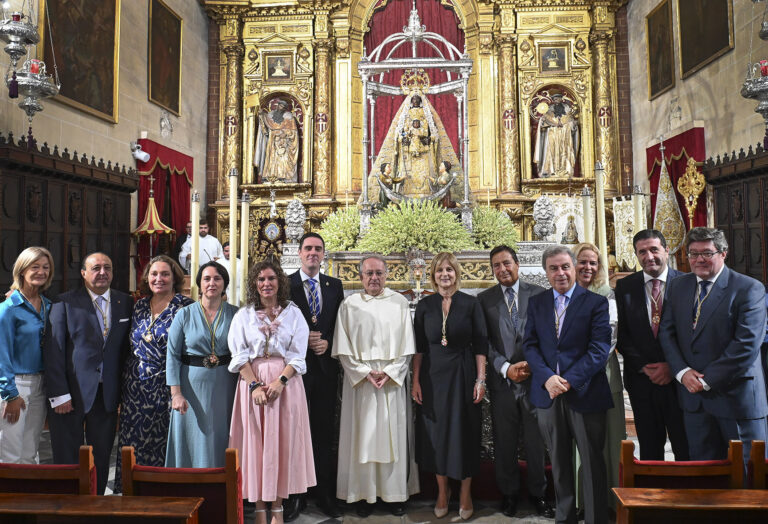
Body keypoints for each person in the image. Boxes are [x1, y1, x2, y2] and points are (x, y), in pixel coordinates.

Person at [659, 227, 768, 465]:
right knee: (704, 478)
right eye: (693, 253)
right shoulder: (678, 286)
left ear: (723, 253)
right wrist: (682, 372)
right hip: (694, 402)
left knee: (747, 478)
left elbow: (746, 346)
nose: (699, 259)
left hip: (736, 399)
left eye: (707, 253)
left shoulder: (749, 289)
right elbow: (667, 333)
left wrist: (705, 381)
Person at [523, 245, 612, 524]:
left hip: (585, 393)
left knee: (592, 462)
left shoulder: (595, 303)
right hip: (549, 394)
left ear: (574, 268)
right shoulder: (537, 303)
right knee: (559, 465)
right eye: (553, 268)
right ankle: (565, 518)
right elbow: (530, 345)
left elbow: (599, 350)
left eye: (565, 267)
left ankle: (596, 519)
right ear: (546, 273)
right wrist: (548, 378)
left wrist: (568, 381)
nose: (560, 273)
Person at [228, 260, 315, 524]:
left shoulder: (294, 313)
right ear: (255, 284)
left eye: (271, 278)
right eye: (261, 279)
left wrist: (280, 382)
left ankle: (277, 504)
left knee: (282, 443)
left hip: (286, 384)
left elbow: (299, 355)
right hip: (252, 382)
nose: (266, 284)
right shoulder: (243, 315)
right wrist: (254, 384)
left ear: (280, 282)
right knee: (255, 443)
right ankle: (259, 505)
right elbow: (238, 353)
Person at [333, 255, 419, 517]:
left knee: (393, 436)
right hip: (360, 383)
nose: (374, 278)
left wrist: (391, 372)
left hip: (390, 382)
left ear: (387, 274)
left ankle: (394, 495)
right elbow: (343, 348)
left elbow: (407, 347)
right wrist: (362, 372)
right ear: (360, 276)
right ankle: (362, 495)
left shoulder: (399, 303)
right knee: (362, 438)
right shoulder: (349, 305)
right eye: (369, 273)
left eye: (379, 273)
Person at [46, 252, 133, 494]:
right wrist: (59, 394)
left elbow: (125, 350)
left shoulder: (125, 302)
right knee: (67, 455)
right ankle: (67, 505)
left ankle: (96, 503)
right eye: (96, 268)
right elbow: (54, 350)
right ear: (83, 273)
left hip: (107, 395)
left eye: (107, 267)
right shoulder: (64, 302)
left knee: (102, 455)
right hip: (70, 395)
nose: (102, 272)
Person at [477, 246, 553, 518]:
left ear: (517, 264)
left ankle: (538, 494)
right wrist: (506, 368)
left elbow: (549, 335)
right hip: (504, 382)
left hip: (535, 381)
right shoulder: (484, 299)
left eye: (506, 263)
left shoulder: (540, 294)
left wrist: (534, 365)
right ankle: (508, 493)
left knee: (535, 441)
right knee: (505, 441)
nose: (502, 269)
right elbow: (483, 341)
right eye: (496, 265)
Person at [412, 252, 487, 520]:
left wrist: (480, 379)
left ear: (457, 273)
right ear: (433, 275)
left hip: (463, 373)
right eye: (440, 270)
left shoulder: (471, 303)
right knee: (437, 435)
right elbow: (418, 348)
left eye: (450, 270)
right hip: (433, 377)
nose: (445, 274)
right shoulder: (424, 306)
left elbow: (480, 344)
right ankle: (443, 492)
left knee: (464, 431)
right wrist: (416, 380)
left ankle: (465, 493)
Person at [115, 255, 193, 491]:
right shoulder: (138, 305)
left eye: (165, 274)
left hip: (166, 386)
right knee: (132, 444)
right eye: (154, 274)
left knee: (163, 444)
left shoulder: (186, 307)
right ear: (147, 277)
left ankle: (161, 498)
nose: (159, 279)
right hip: (134, 388)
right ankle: (131, 495)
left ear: (175, 277)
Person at [284, 233, 344, 520]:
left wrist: (329, 341)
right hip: (296, 372)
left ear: (323, 254)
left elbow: (339, 324)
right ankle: (296, 495)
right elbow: (278, 322)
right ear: (299, 253)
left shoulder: (334, 286)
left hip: (325, 371)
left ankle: (323, 493)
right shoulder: (286, 284)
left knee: (323, 434)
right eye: (308, 248)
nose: (313, 253)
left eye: (318, 249)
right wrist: (303, 341)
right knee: (296, 432)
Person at [615, 229, 688, 461]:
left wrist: (672, 367)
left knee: (684, 446)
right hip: (642, 382)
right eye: (642, 251)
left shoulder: (687, 284)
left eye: (654, 249)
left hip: (679, 382)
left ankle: (686, 495)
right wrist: (644, 366)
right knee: (649, 449)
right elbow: (622, 335)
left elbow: (692, 334)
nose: (649, 256)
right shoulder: (625, 287)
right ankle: (654, 496)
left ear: (666, 250)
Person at [166, 261, 238, 468]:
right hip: (190, 387)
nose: (212, 283)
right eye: (206, 279)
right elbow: (172, 355)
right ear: (199, 284)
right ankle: (187, 487)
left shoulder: (236, 314)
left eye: (217, 278)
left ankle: (222, 486)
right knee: (193, 437)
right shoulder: (184, 314)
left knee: (221, 434)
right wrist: (176, 394)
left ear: (225, 283)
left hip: (226, 384)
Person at [573, 242, 625, 513]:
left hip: (602, 374)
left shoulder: (606, 293)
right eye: (583, 261)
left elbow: (610, 337)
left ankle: (612, 499)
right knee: (580, 440)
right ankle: (585, 500)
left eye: (593, 263)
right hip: (574, 379)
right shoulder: (564, 294)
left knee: (610, 437)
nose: (588, 267)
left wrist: (582, 369)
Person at [0, 247, 53, 464]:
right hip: (16, 385)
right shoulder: (8, 308)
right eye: (35, 267)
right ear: (22, 270)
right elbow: (1, 355)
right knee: (9, 452)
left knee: (30, 452)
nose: (41, 271)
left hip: (41, 384)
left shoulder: (49, 306)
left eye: (46, 267)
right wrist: (10, 395)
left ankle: (28, 498)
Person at [253, 99, 299, 183]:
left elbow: (293, 132)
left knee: (284, 160)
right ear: (277, 106)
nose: (280, 107)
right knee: (271, 159)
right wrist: (261, 115)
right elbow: (265, 129)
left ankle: (284, 176)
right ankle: (270, 176)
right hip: (272, 142)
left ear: (285, 109)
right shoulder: (270, 116)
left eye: (283, 107)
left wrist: (285, 133)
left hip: (283, 143)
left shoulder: (289, 117)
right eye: (279, 105)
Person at [534, 93, 579, 178]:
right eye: (554, 99)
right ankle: (551, 170)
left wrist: (571, 125)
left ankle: (566, 170)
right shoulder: (549, 111)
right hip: (553, 134)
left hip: (565, 135)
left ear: (561, 99)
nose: (556, 100)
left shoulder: (567, 110)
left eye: (558, 98)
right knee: (551, 151)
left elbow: (571, 122)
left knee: (565, 151)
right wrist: (544, 121)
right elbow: (544, 125)